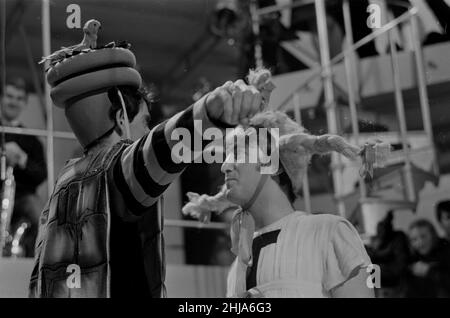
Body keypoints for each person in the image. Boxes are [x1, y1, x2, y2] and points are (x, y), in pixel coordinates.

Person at [29, 33, 263, 297]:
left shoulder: (62, 185)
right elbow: (157, 150)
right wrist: (208, 113)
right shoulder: (112, 171)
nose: (147, 130)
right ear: (120, 119)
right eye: (144, 121)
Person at [184, 69, 375, 298]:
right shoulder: (238, 266)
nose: (225, 165)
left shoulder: (329, 232)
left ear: (270, 161)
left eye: (238, 153)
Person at [0, 76, 47, 257]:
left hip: (22, 196)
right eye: (10, 96)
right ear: (2, 98)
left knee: (42, 216)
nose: (14, 102)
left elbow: (41, 174)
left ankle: (43, 264)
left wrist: (22, 159)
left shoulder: (32, 140)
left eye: (19, 98)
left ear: (25, 103)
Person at [366, 211, 410, 298]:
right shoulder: (372, 244)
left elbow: (400, 266)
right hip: (381, 285)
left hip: (396, 285)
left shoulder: (398, 238)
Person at [405, 219, 450, 297]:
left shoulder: (446, 250)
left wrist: (429, 271)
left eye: (423, 236)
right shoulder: (412, 258)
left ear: (433, 235)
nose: (420, 242)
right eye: (414, 239)